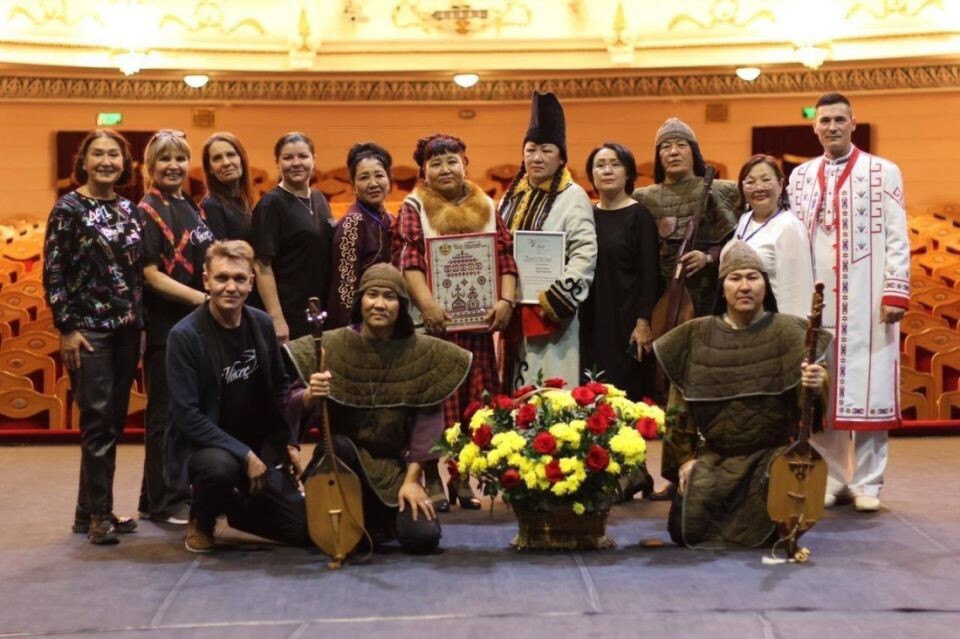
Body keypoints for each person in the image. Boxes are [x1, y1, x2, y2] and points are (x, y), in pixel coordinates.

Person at [653, 241, 831, 548]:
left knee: (780, 514)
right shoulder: (695, 336)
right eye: (735, 279)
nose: (745, 286)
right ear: (722, 288)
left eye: (753, 277)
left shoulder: (792, 334)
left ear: (766, 284)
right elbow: (678, 411)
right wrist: (684, 461)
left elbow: (809, 416)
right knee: (686, 529)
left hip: (771, 456)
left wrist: (816, 383)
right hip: (717, 456)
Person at [285, 264, 472, 554]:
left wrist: (412, 481)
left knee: (422, 537)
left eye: (390, 297)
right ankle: (362, 520)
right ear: (361, 301)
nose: (380, 304)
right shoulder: (330, 345)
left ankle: (373, 521)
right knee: (340, 446)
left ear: (402, 306)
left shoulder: (421, 353)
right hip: (340, 464)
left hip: (392, 472)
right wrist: (310, 394)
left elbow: (427, 427)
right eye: (372, 295)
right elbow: (290, 402)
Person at [788, 92, 910, 512]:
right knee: (820, 391)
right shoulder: (799, 177)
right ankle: (834, 477)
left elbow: (897, 236)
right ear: (814, 127)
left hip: (869, 300)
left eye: (840, 119)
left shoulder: (883, 171)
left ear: (853, 123)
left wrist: (895, 290)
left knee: (870, 389)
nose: (832, 127)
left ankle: (869, 484)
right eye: (825, 120)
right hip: (816, 304)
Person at [393, 133, 518, 509]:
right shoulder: (413, 206)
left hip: (478, 327)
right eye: (436, 163)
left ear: (466, 163)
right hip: (434, 327)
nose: (445, 168)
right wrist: (428, 305)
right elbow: (409, 259)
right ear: (424, 171)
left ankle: (462, 476)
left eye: (452, 160)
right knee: (434, 405)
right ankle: (430, 474)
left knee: (473, 407)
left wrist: (506, 300)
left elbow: (505, 255)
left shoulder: (488, 204)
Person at [166, 240, 308, 553]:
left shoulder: (261, 324)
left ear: (251, 283)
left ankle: (235, 506)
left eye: (239, 279)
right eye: (221, 278)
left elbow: (281, 386)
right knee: (220, 468)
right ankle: (201, 517)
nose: (230, 287)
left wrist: (289, 440)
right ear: (206, 281)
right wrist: (244, 455)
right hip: (208, 449)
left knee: (304, 530)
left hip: (258, 447)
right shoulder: (184, 336)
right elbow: (187, 416)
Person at [44, 129, 143, 545]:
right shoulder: (68, 208)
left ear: (124, 164)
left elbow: (136, 273)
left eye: (114, 155)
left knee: (111, 423)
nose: (106, 161)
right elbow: (53, 272)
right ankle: (100, 514)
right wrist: (66, 328)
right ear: (83, 161)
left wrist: (138, 325)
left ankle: (87, 513)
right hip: (89, 333)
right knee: (98, 422)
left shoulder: (128, 208)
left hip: (125, 330)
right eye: (98, 154)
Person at [138, 129, 215, 525]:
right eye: (165, 159)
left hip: (194, 328)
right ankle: (165, 501)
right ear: (150, 167)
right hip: (167, 326)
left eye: (180, 158)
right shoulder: (147, 209)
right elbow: (150, 274)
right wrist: (203, 300)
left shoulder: (188, 206)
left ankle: (154, 495)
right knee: (166, 416)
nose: (173, 166)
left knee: (183, 412)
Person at [499, 91, 597, 389]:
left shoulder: (574, 196)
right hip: (513, 311)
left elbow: (585, 252)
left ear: (561, 156)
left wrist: (557, 299)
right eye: (530, 150)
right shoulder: (510, 197)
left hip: (552, 316)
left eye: (546, 150)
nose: (537, 157)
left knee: (550, 390)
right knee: (514, 388)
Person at [632, 118, 739, 318]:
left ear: (693, 152)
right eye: (665, 147)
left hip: (710, 297)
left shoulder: (721, 190)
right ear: (658, 156)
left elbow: (738, 241)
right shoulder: (642, 198)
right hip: (659, 301)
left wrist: (708, 257)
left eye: (681, 145)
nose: (673, 152)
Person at [581, 142, 660, 400]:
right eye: (600, 165)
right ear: (592, 175)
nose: (607, 170)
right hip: (591, 323)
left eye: (615, 164)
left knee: (627, 397)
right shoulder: (586, 217)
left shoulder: (640, 216)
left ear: (628, 173)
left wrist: (643, 322)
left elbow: (651, 275)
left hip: (628, 322)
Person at [252, 131, 333, 343]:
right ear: (277, 163)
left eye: (303, 156)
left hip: (320, 309)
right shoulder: (270, 204)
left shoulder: (319, 197)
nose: (296, 163)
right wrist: (277, 319)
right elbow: (262, 266)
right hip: (290, 313)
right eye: (288, 158)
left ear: (313, 160)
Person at [734, 154, 814, 318]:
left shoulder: (789, 226)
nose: (758, 188)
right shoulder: (745, 219)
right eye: (750, 182)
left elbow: (798, 293)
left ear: (780, 184)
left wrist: (792, 335)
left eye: (766, 180)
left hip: (772, 325)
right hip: (744, 321)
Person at [326, 142, 395, 329]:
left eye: (379, 175)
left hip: (384, 319)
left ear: (389, 179)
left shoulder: (391, 219)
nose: (373, 184)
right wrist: (353, 330)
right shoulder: (352, 223)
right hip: (359, 327)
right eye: (364, 177)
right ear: (353, 185)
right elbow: (345, 289)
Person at [199, 132, 254, 243]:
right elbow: (222, 256)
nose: (226, 163)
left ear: (241, 159)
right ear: (210, 169)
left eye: (231, 155)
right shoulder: (211, 205)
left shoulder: (244, 200)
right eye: (217, 158)